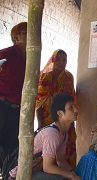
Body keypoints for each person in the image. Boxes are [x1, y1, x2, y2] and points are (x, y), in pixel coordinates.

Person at [9, 93, 81, 180]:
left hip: (37, 170)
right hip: (22, 174)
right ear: (60, 113)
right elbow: (48, 167)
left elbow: (60, 160)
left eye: (75, 106)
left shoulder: (63, 133)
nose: (76, 110)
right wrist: (70, 175)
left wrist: (73, 172)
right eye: (71, 107)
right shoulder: (52, 134)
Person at [35, 49, 76, 167]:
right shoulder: (45, 76)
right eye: (58, 59)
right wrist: (40, 123)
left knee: (68, 143)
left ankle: (68, 171)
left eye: (64, 59)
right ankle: (50, 171)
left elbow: (71, 98)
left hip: (65, 117)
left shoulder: (68, 76)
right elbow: (39, 103)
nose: (61, 62)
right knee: (51, 147)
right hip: (49, 118)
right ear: (52, 60)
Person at [0, 22, 27, 169]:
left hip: (17, 110)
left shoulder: (30, 58)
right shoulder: (6, 54)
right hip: (2, 105)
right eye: (25, 33)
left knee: (12, 147)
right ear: (15, 37)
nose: (29, 35)